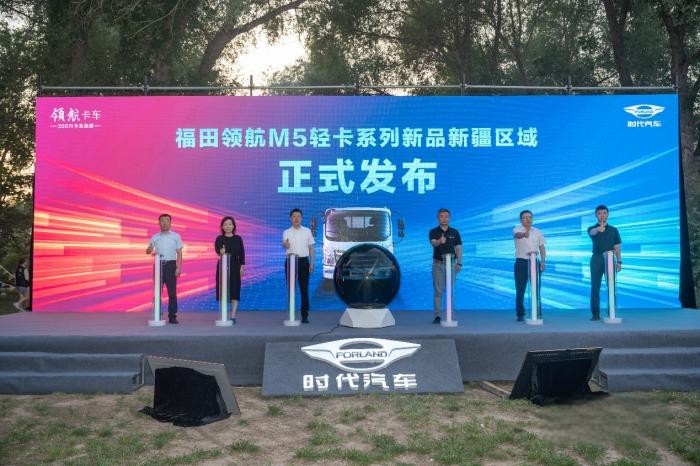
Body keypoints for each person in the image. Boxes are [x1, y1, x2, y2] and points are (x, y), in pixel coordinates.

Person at [146, 214, 183, 324]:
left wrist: (178, 267)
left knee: (172, 292)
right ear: (159, 223)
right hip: (158, 265)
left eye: (167, 221)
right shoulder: (155, 237)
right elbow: (148, 250)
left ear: (170, 223)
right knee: (157, 291)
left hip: (171, 265)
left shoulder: (176, 236)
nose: (164, 223)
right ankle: (157, 314)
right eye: (162, 221)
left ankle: (172, 316)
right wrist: (149, 250)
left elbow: (179, 253)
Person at [587, 205, 622, 321]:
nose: (602, 215)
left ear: (608, 214)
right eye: (599, 213)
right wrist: (598, 229)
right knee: (595, 286)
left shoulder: (614, 230)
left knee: (611, 286)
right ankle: (595, 313)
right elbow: (591, 233)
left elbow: (617, 247)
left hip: (610, 259)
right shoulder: (592, 228)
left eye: (604, 213)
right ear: (596, 215)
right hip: (597, 259)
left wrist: (619, 261)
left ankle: (611, 311)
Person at [429, 208, 462, 324]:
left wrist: (459, 263)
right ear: (438, 218)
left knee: (450, 290)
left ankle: (450, 315)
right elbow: (433, 243)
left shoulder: (455, 232)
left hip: (451, 264)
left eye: (446, 216)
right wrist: (439, 241)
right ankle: (437, 315)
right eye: (441, 216)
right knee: (438, 291)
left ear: (449, 218)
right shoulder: (433, 231)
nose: (444, 219)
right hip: (438, 264)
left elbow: (458, 248)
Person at [512, 210, 546, 322]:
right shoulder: (517, 229)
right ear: (521, 219)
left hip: (534, 262)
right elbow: (517, 235)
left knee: (536, 289)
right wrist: (524, 234)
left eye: (530, 217)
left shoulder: (537, 231)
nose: (528, 219)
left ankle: (537, 312)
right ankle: (520, 314)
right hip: (521, 262)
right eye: (525, 217)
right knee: (520, 289)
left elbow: (542, 248)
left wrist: (543, 261)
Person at [282, 208, 315, 323]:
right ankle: (291, 315)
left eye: (298, 216)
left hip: (303, 262)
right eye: (294, 216)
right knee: (291, 289)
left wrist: (312, 263)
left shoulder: (307, 231)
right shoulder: (286, 232)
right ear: (290, 218)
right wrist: (285, 244)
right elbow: (285, 246)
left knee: (304, 289)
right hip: (290, 262)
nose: (296, 218)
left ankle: (305, 315)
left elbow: (311, 248)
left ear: (301, 218)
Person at [215, 216, 245, 324]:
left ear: (233, 226)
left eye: (230, 224)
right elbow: (217, 250)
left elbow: (242, 254)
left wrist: (242, 267)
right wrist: (221, 251)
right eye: (225, 224)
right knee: (223, 290)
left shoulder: (238, 238)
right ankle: (223, 315)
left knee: (235, 290)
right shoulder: (219, 238)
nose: (228, 226)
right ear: (222, 227)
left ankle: (233, 316)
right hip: (223, 266)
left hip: (235, 266)